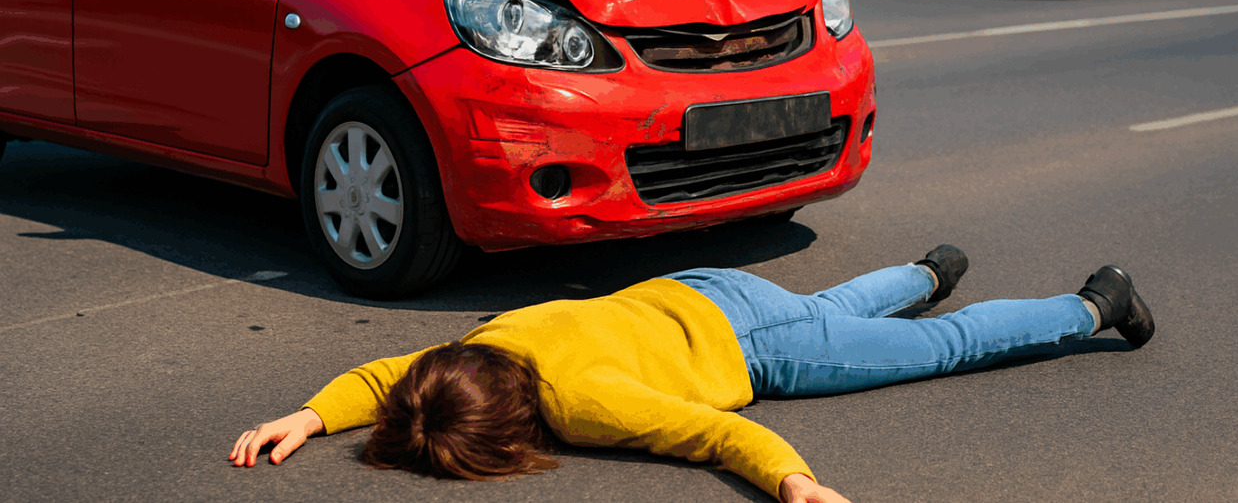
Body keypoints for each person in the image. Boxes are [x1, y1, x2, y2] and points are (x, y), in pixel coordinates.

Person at [229, 246, 1154, 503]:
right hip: (701, 289)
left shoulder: (583, 406)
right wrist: (308, 415)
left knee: (941, 349)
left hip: (755, 349)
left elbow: (714, 434)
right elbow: (391, 374)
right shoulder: (491, 338)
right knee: (833, 308)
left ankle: (1093, 306)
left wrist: (794, 482)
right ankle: (923, 272)